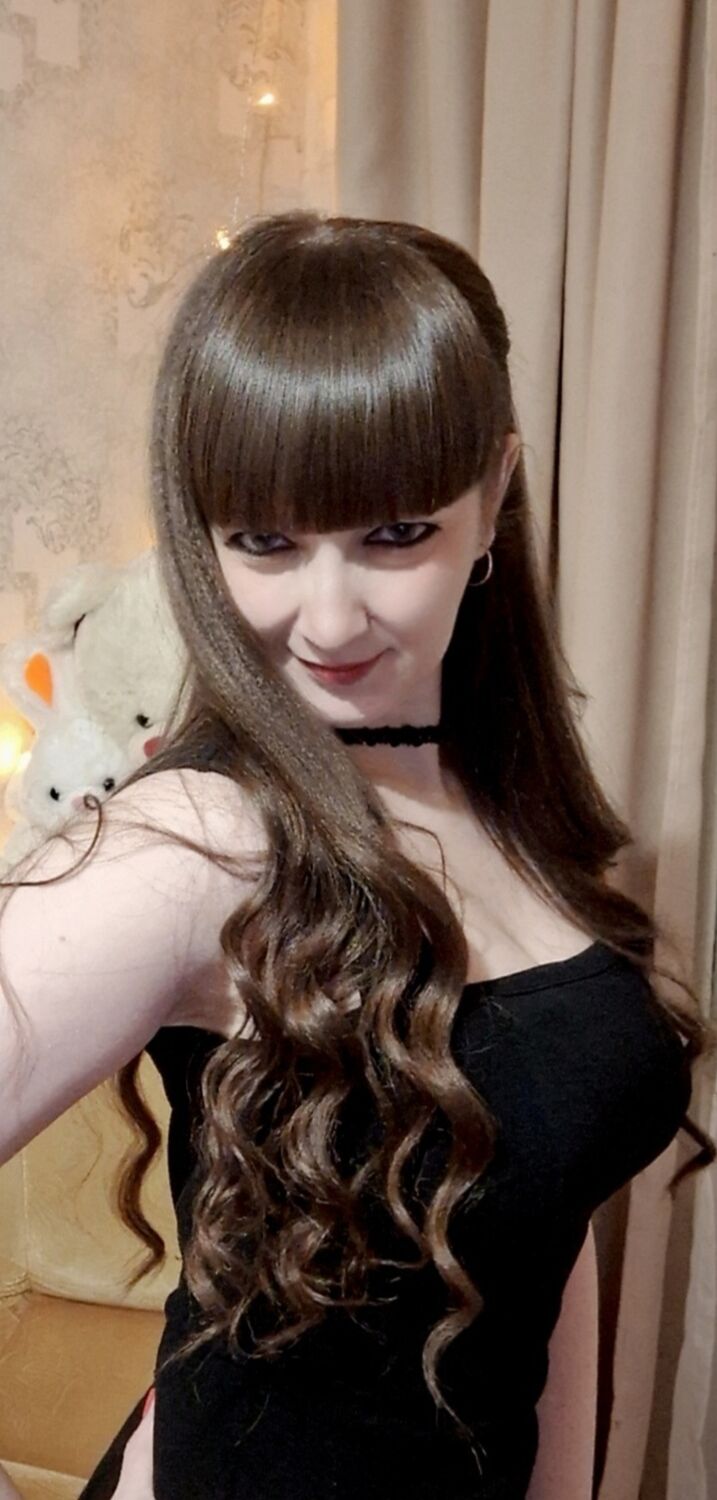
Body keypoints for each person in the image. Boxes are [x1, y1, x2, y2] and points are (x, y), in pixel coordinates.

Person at [1, 208, 714, 1500]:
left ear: (492, 495)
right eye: (263, 543)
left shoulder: (515, 812)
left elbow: (538, 1221)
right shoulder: (198, 842)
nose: (327, 622)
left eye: (393, 534)